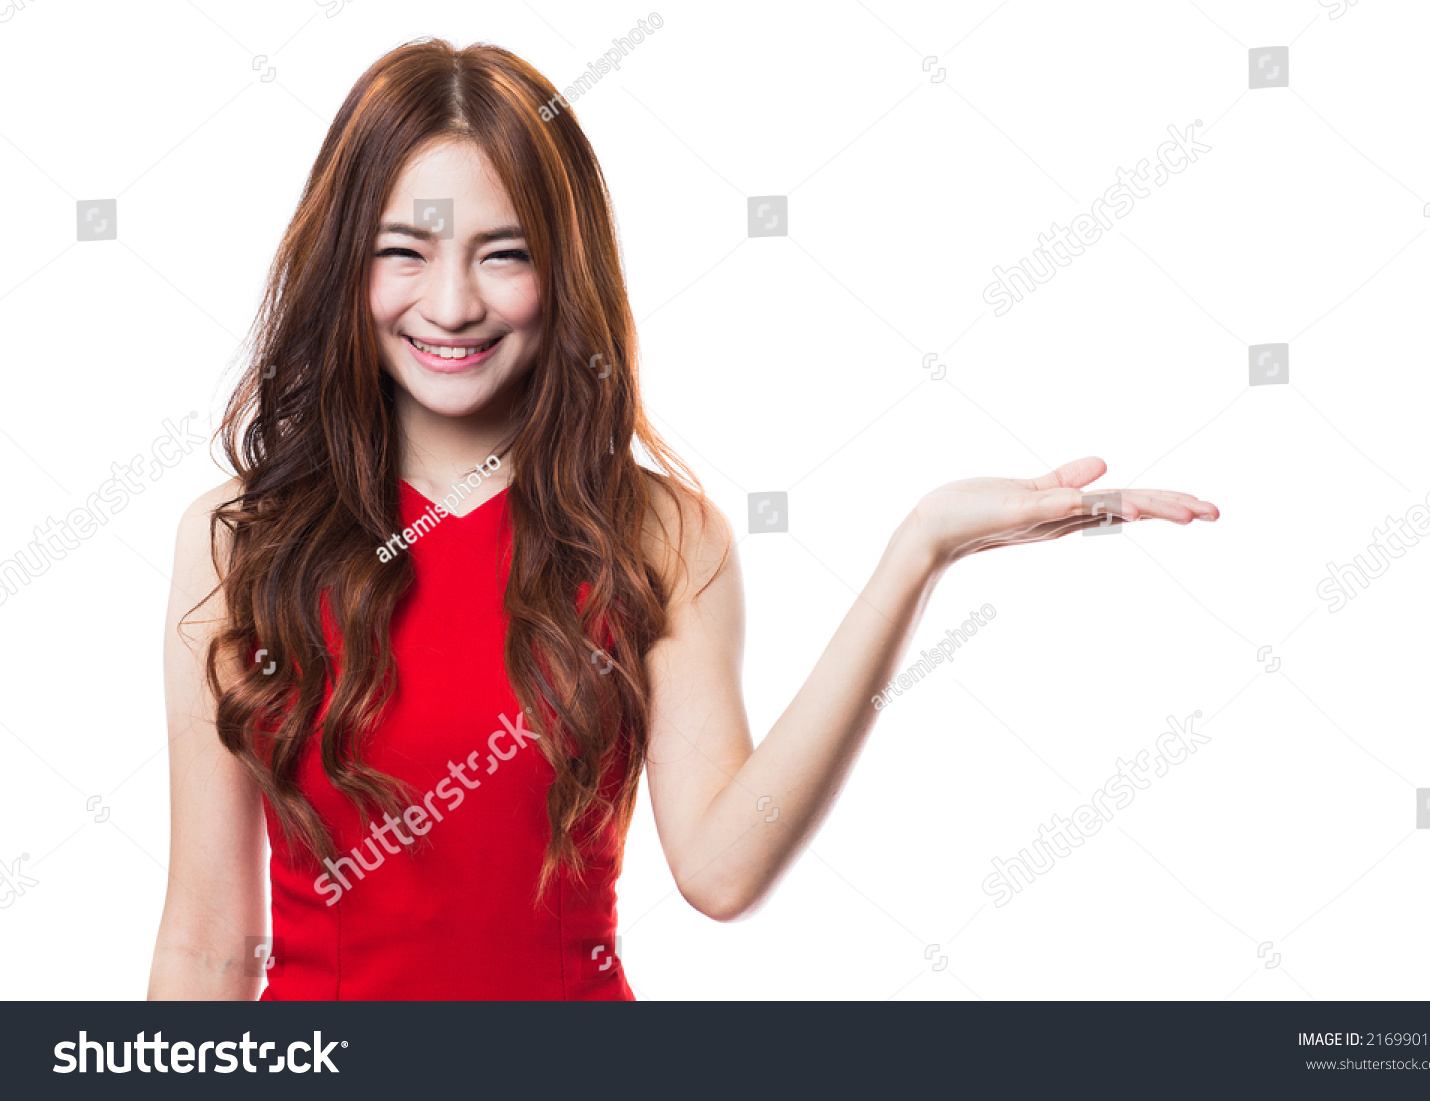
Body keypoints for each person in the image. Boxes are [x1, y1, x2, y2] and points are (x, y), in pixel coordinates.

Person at [146, 38, 1218, 1001]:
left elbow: (720, 868)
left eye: (503, 253)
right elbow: (206, 943)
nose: (454, 302)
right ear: (348, 266)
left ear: (563, 272)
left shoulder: (656, 536)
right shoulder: (240, 546)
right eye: (406, 251)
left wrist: (919, 550)